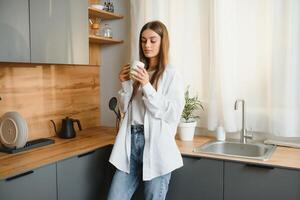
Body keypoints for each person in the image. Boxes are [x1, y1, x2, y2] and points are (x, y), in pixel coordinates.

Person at [107, 20, 185, 200]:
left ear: (162, 41)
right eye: (143, 40)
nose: (147, 45)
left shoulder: (171, 74)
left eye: (152, 40)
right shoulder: (139, 71)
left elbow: (172, 113)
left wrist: (147, 86)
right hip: (130, 144)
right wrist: (125, 82)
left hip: (157, 147)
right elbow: (124, 109)